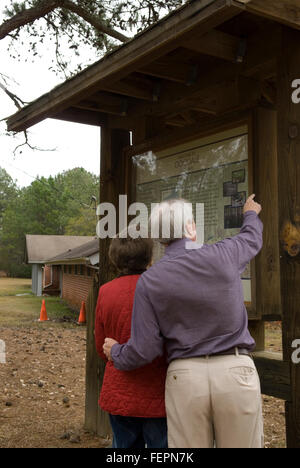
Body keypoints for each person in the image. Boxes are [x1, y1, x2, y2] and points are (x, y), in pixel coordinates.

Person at [103, 195, 264, 449]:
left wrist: (116, 352)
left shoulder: (150, 281)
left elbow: (145, 348)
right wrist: (250, 213)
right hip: (235, 371)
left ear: (159, 237)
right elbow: (252, 238)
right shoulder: (226, 254)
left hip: (185, 378)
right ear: (190, 227)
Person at [94, 233, 168, 449]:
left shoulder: (105, 292)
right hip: (158, 389)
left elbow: (101, 345)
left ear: (115, 260)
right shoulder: (160, 288)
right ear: (149, 258)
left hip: (119, 389)